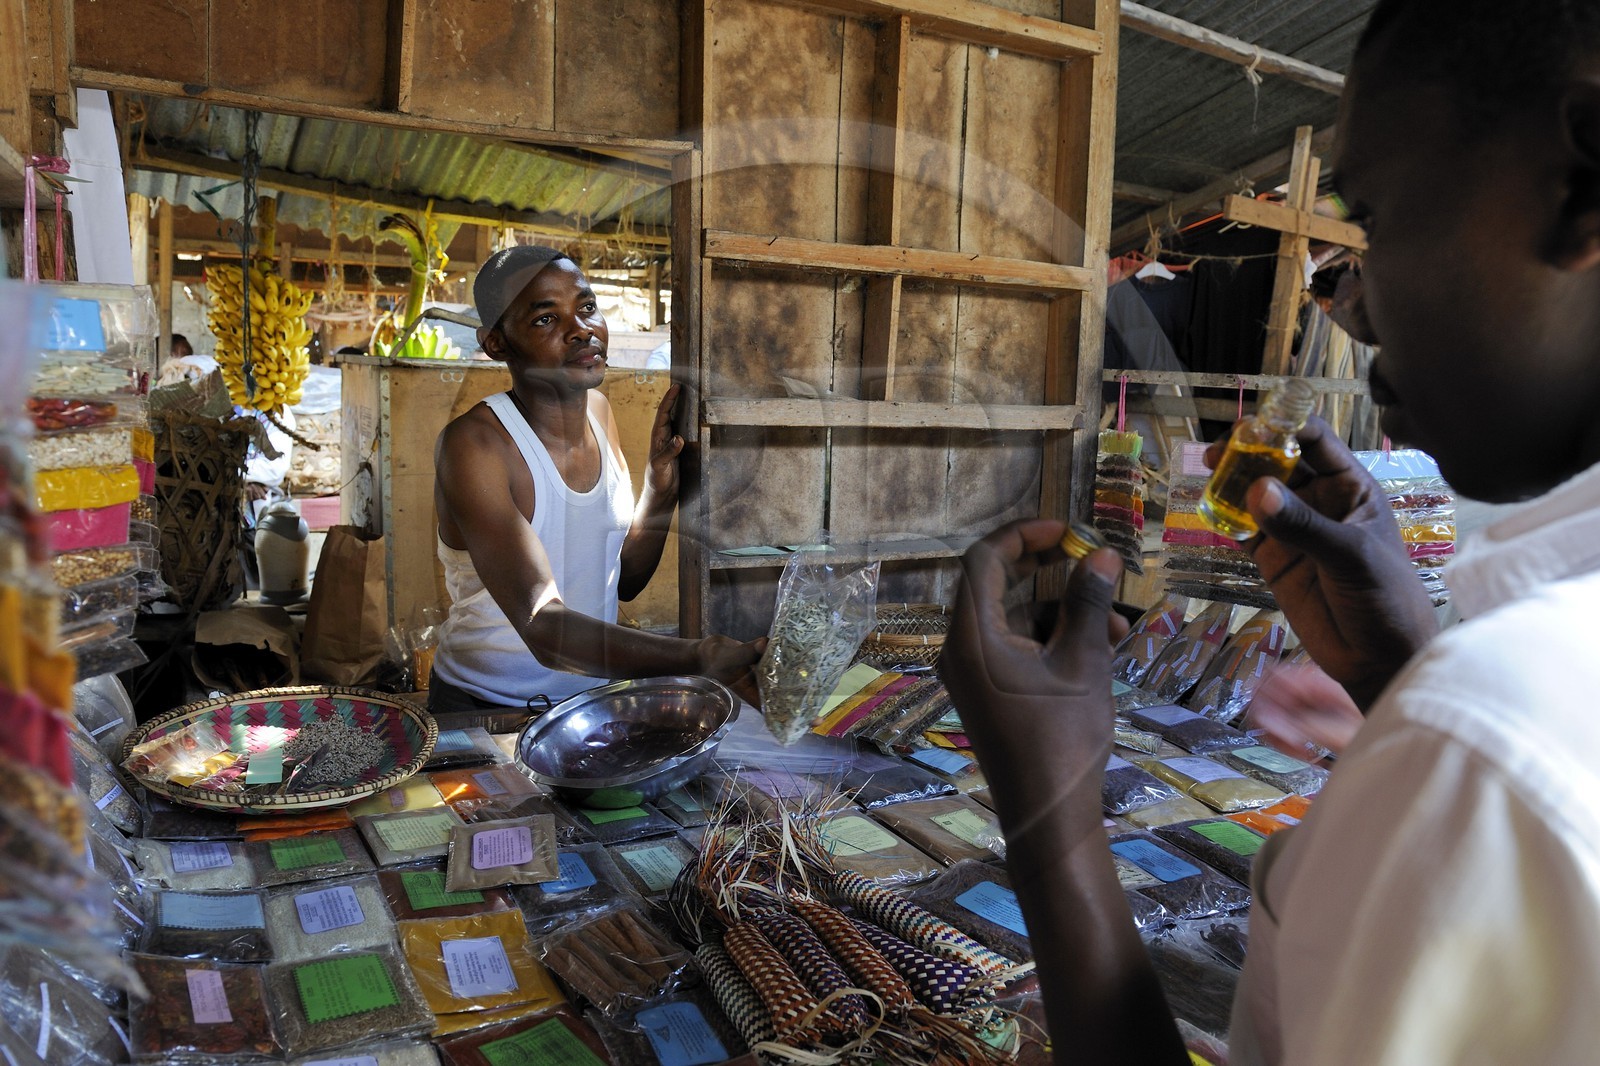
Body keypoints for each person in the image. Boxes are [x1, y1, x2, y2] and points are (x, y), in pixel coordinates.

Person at [937, 2, 1600, 1063]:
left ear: (1582, 183)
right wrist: (1400, 674)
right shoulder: (1501, 703)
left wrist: (1047, 805)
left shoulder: (1493, 735)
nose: (1354, 308)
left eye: (1376, 220)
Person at [429, 245, 764, 715]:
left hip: (587, 704)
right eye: (546, 319)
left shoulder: (600, 415)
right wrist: (702, 656)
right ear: (496, 344)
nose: (581, 329)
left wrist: (659, 491)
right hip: (483, 708)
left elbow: (621, 580)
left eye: (586, 307)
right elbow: (545, 629)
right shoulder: (475, 446)